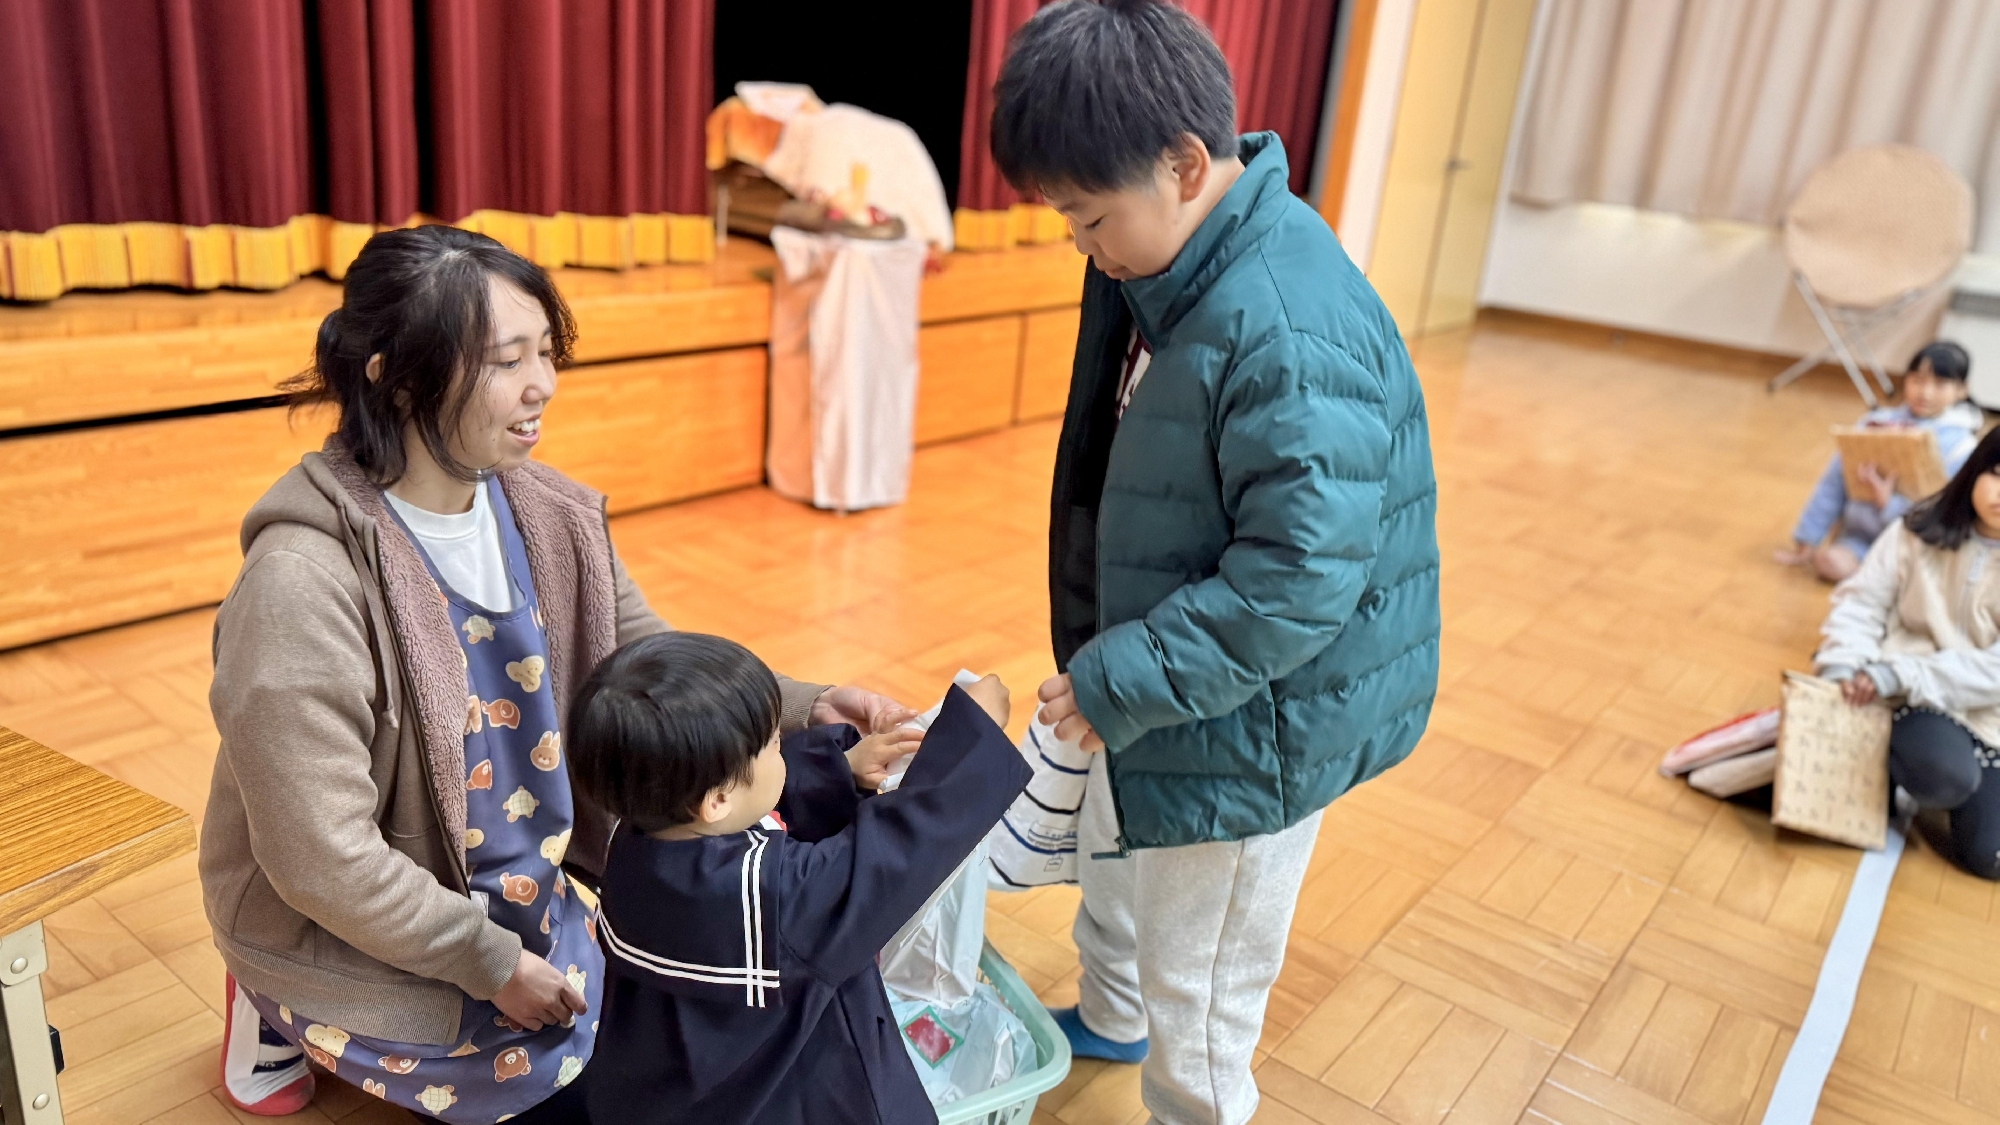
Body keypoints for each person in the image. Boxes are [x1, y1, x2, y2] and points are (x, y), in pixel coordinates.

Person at [199, 225, 913, 1121]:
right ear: (397, 377)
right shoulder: (299, 586)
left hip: (514, 890)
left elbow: (646, 659)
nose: (543, 384)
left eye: (546, 352)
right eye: (507, 361)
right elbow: (321, 858)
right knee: (545, 1091)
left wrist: (806, 706)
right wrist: (490, 961)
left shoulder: (545, 509)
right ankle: (271, 992)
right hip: (348, 920)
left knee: (632, 1040)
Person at [989, 3, 1440, 1122]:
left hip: (1251, 728)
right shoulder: (1168, 258)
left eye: (1088, 217)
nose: (1080, 244)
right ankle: (1112, 1012)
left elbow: (1298, 578)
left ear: (1187, 166)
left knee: (1200, 980)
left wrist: (1124, 674)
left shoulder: (1285, 328)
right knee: (1115, 858)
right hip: (1167, 669)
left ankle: (1195, 1101)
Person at [567, 632, 1030, 1125]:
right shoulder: (769, 902)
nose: (783, 750)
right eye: (774, 745)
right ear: (716, 797)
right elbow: (894, 855)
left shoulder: (639, 835)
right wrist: (973, 739)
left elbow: (739, 818)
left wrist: (839, 768)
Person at [1817, 426, 2000, 881]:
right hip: (1908, 697)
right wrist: (1843, 664)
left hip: (1987, 713)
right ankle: (1897, 761)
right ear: (1975, 470)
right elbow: (1861, 602)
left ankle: (1926, 767)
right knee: (1943, 773)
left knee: (1990, 858)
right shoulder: (1916, 527)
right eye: (1997, 474)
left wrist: (1903, 672)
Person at [1777, 341, 1980, 583]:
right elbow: (1833, 483)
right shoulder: (1874, 423)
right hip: (1859, 540)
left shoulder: (1962, 446)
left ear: (1962, 389)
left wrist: (1890, 504)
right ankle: (1879, 583)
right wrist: (1807, 539)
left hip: (1911, 546)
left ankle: (1887, 585)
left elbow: (1944, 512)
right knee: (1829, 562)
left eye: (1940, 384)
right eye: (1917, 380)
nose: (1925, 392)